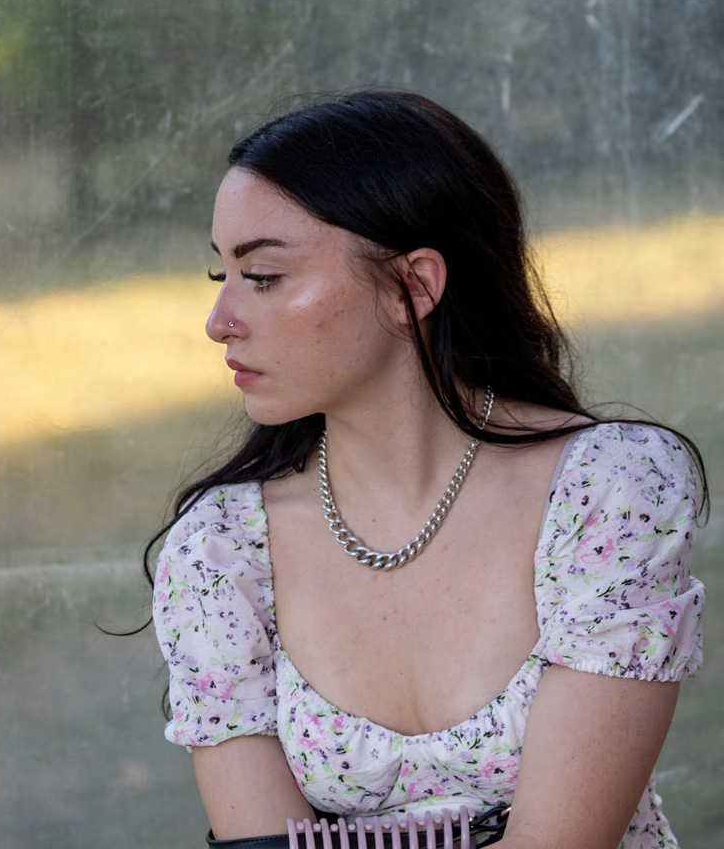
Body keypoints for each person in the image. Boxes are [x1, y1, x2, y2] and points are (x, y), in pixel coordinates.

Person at [149, 91, 706, 849]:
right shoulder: (222, 552)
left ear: (413, 286)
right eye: (223, 275)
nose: (220, 323)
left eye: (265, 276)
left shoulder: (608, 490)